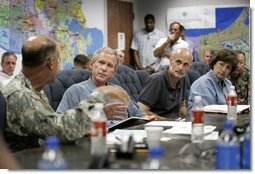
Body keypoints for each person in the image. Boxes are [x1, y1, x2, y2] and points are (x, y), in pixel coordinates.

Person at [1, 35, 132, 151]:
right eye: (58, 60)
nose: (59, 65)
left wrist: (98, 113)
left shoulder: (32, 89)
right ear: (51, 64)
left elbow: (51, 122)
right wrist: (100, 94)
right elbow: (58, 131)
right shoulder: (20, 94)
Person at [57, 47, 152, 126]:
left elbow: (139, 115)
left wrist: (147, 119)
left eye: (109, 66)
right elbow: (59, 122)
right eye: (101, 63)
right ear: (92, 65)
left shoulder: (118, 91)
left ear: (114, 72)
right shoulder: (75, 91)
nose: (104, 68)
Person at [138, 48, 193, 119]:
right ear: (171, 60)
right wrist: (168, 121)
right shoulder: (156, 80)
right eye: (178, 62)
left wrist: (186, 119)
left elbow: (182, 104)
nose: (181, 68)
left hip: (176, 125)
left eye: (185, 65)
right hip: (157, 126)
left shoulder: (182, 78)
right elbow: (141, 111)